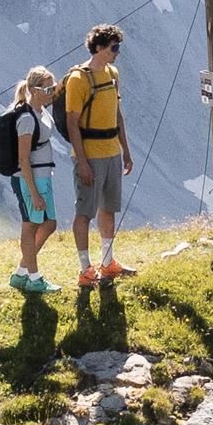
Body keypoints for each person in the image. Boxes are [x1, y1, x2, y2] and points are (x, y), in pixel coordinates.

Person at [60, 21, 132, 285]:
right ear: (99, 47)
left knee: (108, 209)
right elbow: (71, 122)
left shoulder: (112, 74)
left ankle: (108, 262)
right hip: (90, 154)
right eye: (114, 47)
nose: (117, 52)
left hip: (112, 150)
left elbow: (117, 114)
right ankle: (85, 269)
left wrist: (126, 150)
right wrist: (82, 162)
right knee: (85, 212)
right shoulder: (80, 79)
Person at [0, 67, 61, 295]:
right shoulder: (26, 119)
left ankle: (21, 273)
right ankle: (34, 278)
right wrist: (34, 192)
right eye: (48, 88)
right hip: (29, 179)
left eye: (53, 87)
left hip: (43, 177)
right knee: (30, 226)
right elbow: (23, 157)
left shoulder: (42, 112)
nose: (52, 92)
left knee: (49, 224)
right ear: (34, 90)